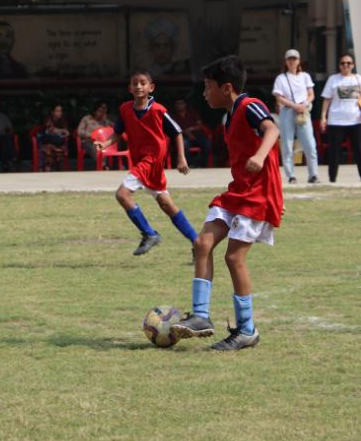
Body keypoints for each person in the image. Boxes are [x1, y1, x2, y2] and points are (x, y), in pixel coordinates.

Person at [171, 55, 283, 351]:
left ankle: (247, 331)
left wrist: (259, 156)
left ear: (227, 88)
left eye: (208, 87)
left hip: (256, 196)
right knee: (202, 243)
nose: (204, 93)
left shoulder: (249, 105)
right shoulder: (230, 115)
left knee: (234, 258)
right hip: (238, 192)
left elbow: (272, 130)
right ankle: (200, 316)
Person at [94, 70, 197, 257]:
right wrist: (105, 144)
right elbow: (117, 133)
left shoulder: (158, 110)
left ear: (151, 87)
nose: (139, 86)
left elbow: (177, 132)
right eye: (135, 83)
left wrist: (181, 157)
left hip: (152, 161)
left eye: (143, 83)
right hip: (141, 160)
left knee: (122, 194)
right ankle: (198, 242)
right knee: (166, 204)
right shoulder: (125, 109)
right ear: (130, 88)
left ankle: (149, 234)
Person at [272, 49, 320, 184]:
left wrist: (304, 104)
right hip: (287, 111)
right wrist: (293, 105)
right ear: (286, 61)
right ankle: (290, 175)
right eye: (289, 59)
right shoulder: (281, 78)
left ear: (299, 61)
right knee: (287, 144)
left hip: (303, 111)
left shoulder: (305, 76)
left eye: (294, 59)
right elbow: (279, 97)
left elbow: (311, 94)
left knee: (310, 144)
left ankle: (313, 174)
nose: (292, 61)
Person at [319, 53, 361, 182]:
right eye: (343, 63)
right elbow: (327, 99)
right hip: (336, 121)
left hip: (356, 120)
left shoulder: (358, 79)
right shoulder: (333, 79)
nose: (345, 65)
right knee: (334, 151)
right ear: (339, 65)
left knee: (359, 150)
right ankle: (332, 178)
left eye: (348, 63)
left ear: (353, 65)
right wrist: (323, 117)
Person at [171, 97, 212, 168]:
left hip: (196, 135)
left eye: (181, 103)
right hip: (183, 136)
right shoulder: (173, 116)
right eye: (177, 103)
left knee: (207, 144)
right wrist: (186, 132)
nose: (179, 105)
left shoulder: (193, 113)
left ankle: (203, 165)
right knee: (184, 145)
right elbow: (173, 129)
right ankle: (188, 164)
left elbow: (200, 125)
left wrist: (190, 130)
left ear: (185, 104)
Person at [37, 105, 70, 171]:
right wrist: (62, 130)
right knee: (51, 142)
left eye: (60, 111)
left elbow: (67, 133)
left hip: (56, 142)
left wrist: (61, 131)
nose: (60, 113)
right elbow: (51, 129)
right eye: (57, 111)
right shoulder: (48, 119)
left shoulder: (62, 120)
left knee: (57, 144)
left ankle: (55, 169)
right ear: (52, 112)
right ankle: (47, 169)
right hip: (46, 140)